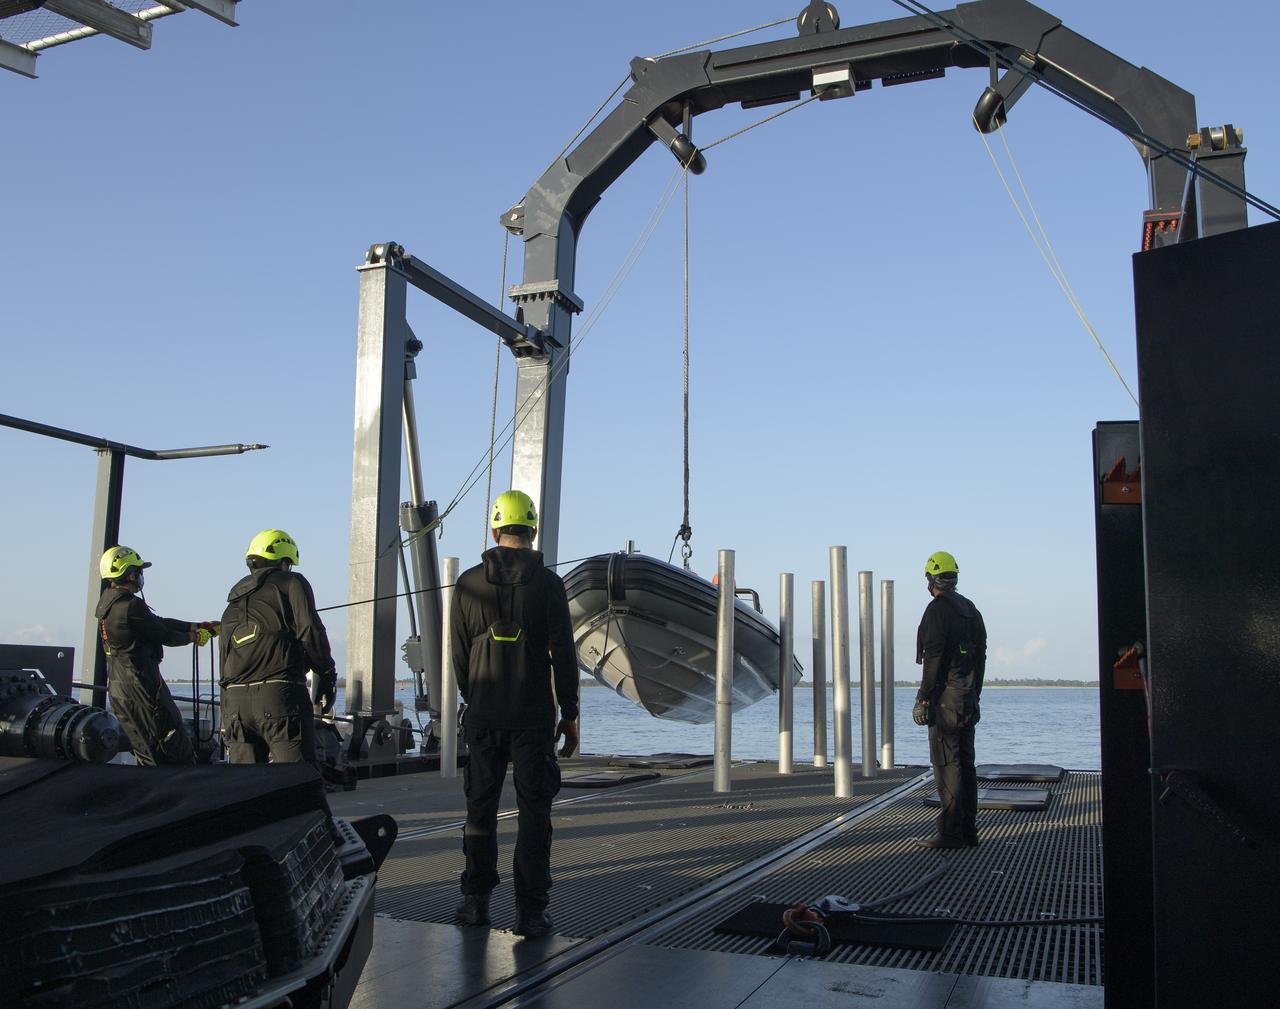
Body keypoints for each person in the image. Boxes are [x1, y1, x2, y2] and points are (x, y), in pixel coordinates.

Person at [450, 490, 579, 938]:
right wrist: (571, 710)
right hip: (533, 717)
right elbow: (563, 653)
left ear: (494, 529)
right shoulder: (548, 585)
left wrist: (476, 698)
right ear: (534, 530)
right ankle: (531, 912)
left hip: (484, 716)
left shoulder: (466, 583)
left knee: (479, 810)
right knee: (534, 813)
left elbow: (459, 656)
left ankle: (474, 903)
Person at [218, 529, 337, 765]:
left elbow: (224, 656)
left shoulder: (234, 601)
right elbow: (310, 630)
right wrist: (326, 673)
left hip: (235, 705)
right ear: (285, 562)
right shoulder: (292, 582)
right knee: (297, 781)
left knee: (247, 787)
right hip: (279, 697)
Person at [95, 546, 219, 766]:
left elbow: (157, 622)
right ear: (131, 574)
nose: (141, 576)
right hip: (143, 688)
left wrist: (197, 626)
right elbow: (165, 635)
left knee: (146, 750)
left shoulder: (109, 605)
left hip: (119, 689)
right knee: (173, 746)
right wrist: (195, 637)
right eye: (139, 571)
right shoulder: (130, 606)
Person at [912, 550, 987, 849]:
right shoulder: (971, 609)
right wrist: (975, 694)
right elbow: (981, 658)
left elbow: (934, 658)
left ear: (931, 579)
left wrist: (923, 697)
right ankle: (968, 831)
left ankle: (951, 834)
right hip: (967, 698)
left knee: (948, 765)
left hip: (946, 701)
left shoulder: (937, 610)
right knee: (966, 764)